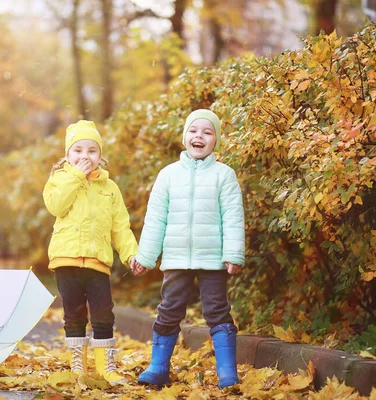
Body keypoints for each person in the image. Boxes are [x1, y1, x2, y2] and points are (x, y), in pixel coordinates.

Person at [131, 109, 245, 388]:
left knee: (217, 311)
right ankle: (158, 367)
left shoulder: (224, 175)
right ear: (185, 137)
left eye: (207, 132)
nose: (199, 136)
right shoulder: (168, 175)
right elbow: (156, 218)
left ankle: (227, 373)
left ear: (215, 140)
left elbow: (233, 216)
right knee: (169, 309)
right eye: (194, 131)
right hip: (176, 257)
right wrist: (145, 256)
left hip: (213, 259)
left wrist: (233, 254)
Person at [43, 120, 138, 385]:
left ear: (100, 157)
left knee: (103, 313)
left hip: (97, 262)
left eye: (92, 151)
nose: (85, 156)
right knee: (73, 313)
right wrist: (75, 176)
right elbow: (56, 206)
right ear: (67, 156)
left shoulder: (109, 188)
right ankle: (77, 366)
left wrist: (131, 255)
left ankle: (105, 367)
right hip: (66, 259)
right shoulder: (59, 180)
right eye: (78, 150)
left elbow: (120, 227)